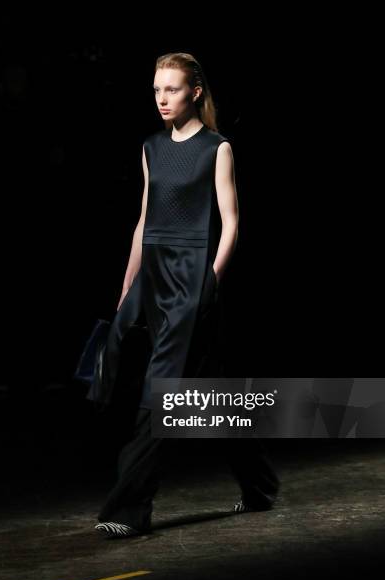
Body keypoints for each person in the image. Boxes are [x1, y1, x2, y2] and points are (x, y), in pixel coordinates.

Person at [88, 52, 280, 538]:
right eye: (156, 90)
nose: (161, 99)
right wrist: (128, 284)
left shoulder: (217, 148)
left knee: (163, 394)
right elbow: (143, 220)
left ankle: (127, 509)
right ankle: (260, 486)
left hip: (191, 278)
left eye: (171, 89)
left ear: (195, 91)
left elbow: (232, 222)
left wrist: (209, 281)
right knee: (207, 391)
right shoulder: (152, 147)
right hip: (151, 275)